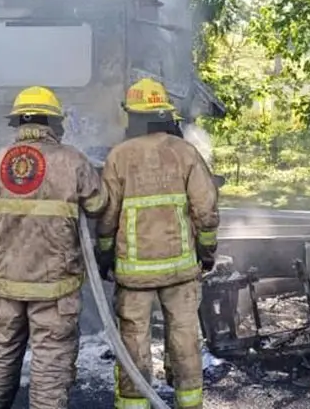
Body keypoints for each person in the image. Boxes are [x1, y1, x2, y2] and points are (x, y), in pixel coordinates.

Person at [0, 86, 108, 409]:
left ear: (18, 122)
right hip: (53, 285)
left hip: (7, 281)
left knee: (0, 353)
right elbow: (99, 204)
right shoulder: (72, 160)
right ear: (53, 123)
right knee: (50, 363)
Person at [97, 78, 220, 409]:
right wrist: (206, 254)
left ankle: (135, 404)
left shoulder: (119, 157)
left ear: (133, 116)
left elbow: (107, 216)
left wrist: (104, 256)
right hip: (181, 271)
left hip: (134, 276)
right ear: (165, 114)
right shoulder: (185, 153)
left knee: (133, 342)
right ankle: (189, 403)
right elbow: (206, 211)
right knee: (185, 340)